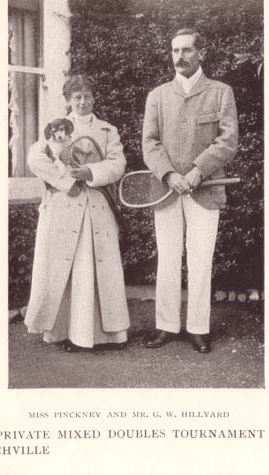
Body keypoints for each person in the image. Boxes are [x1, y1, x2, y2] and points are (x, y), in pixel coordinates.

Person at [143, 28, 238, 353]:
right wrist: (169, 174)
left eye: (185, 50)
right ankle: (166, 326)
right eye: (174, 50)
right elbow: (149, 142)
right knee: (167, 259)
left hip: (205, 190)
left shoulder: (221, 92)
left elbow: (228, 140)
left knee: (201, 260)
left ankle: (198, 328)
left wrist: (197, 171)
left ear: (202, 52)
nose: (179, 57)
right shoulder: (157, 96)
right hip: (167, 191)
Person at [24, 74, 130, 352]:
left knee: (95, 266)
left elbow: (117, 164)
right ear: (68, 101)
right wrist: (67, 181)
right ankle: (65, 332)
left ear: (94, 98)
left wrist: (91, 172)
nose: (83, 102)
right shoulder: (56, 128)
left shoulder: (108, 130)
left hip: (97, 204)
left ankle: (105, 335)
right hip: (63, 205)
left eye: (87, 96)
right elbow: (35, 158)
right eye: (77, 97)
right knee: (65, 267)